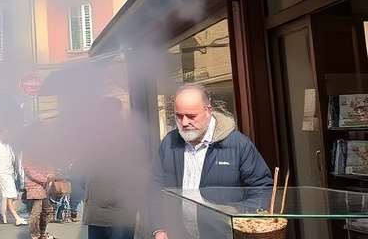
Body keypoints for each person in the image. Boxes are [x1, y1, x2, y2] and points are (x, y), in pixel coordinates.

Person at [148, 84, 272, 239]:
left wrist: (238, 217)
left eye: (191, 116)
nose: (184, 122)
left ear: (208, 110)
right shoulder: (170, 142)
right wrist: (159, 229)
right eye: (179, 116)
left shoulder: (237, 144)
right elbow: (154, 186)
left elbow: (262, 188)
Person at [82, 97, 144, 239]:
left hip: (117, 213)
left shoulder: (124, 137)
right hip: (98, 212)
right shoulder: (96, 138)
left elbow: (132, 172)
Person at [0, 128, 27, 226]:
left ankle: (5, 215)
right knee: (2, 195)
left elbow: (13, 160)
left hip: (9, 174)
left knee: (5, 196)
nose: (7, 136)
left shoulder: (8, 146)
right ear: (0, 134)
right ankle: (16, 217)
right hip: (0, 174)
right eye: (5, 133)